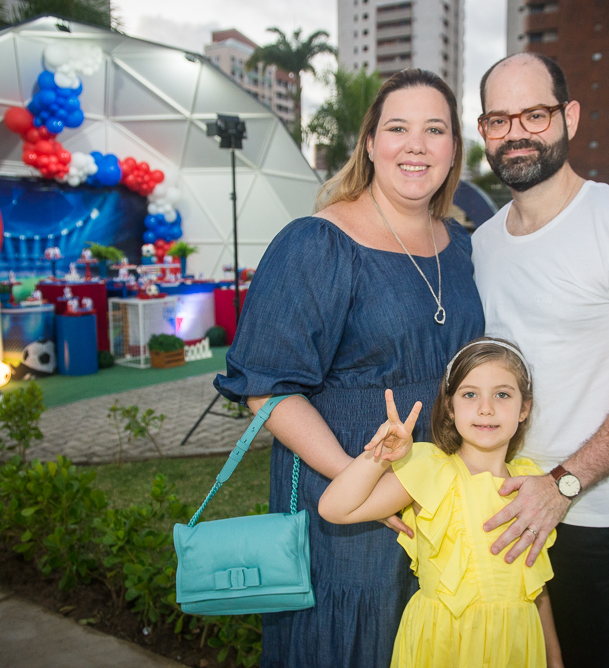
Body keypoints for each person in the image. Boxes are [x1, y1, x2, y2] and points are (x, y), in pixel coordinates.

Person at [213, 69, 484, 668]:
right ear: (369, 143)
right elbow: (268, 389)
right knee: (354, 641)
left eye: (435, 129)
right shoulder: (317, 243)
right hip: (344, 497)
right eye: (398, 128)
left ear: (454, 150)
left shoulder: (461, 246)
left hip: (438, 496)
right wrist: (366, 488)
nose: (416, 145)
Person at [470, 53, 609, 668]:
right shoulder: (482, 245)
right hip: (496, 509)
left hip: (586, 514)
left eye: (535, 114)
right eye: (498, 119)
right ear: (484, 131)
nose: (516, 132)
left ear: (568, 117)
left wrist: (561, 485)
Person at [319, 338, 564, 668]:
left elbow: (536, 586)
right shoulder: (430, 469)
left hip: (517, 647)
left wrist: (554, 658)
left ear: (524, 408)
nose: (486, 408)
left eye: (502, 394)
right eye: (470, 394)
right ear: (450, 407)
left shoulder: (532, 484)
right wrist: (380, 456)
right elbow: (334, 508)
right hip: (442, 646)